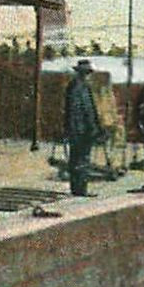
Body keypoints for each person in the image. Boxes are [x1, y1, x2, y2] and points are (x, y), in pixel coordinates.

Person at [65, 58, 100, 195]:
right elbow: (87, 110)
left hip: (77, 128)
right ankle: (80, 189)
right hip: (82, 129)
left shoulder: (74, 85)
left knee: (76, 159)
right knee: (82, 159)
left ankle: (77, 188)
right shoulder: (82, 87)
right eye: (87, 73)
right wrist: (93, 127)